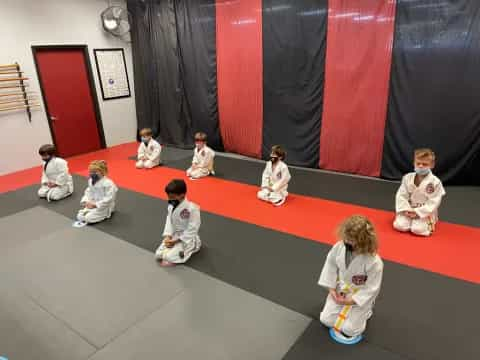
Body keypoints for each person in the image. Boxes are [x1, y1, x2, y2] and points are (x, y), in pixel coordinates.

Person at [318, 215, 383, 343]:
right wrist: (331, 290)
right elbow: (330, 263)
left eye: (352, 240)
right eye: (346, 238)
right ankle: (343, 306)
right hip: (341, 289)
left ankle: (367, 311)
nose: (347, 242)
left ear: (363, 241)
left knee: (350, 330)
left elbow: (372, 289)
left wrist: (351, 301)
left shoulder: (374, 262)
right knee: (326, 320)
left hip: (360, 295)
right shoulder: (340, 246)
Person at [393, 148, 446, 236]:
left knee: (418, 230)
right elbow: (401, 195)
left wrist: (418, 213)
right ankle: (409, 218)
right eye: (418, 163)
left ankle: (431, 221)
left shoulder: (435, 182)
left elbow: (434, 202)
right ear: (414, 162)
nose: (420, 166)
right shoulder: (407, 178)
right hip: (408, 209)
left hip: (425, 212)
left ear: (432, 165)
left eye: (424, 164)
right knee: (400, 226)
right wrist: (405, 209)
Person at [155, 179, 201, 266]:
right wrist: (168, 236)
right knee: (159, 255)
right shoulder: (171, 206)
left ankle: (194, 245)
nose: (169, 199)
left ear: (182, 195)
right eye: (168, 196)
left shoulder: (192, 209)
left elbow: (193, 228)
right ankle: (174, 250)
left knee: (168, 257)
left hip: (187, 239)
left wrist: (176, 241)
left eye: (172, 197)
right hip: (174, 235)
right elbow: (169, 220)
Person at [76, 160, 118, 225]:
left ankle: (104, 213)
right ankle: (89, 212)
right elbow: (88, 192)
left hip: (103, 206)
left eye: (95, 172)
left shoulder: (108, 183)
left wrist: (95, 205)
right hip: (92, 203)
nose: (92, 174)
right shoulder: (91, 181)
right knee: (79, 216)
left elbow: (109, 198)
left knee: (88, 218)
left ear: (102, 172)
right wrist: (86, 202)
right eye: (91, 172)